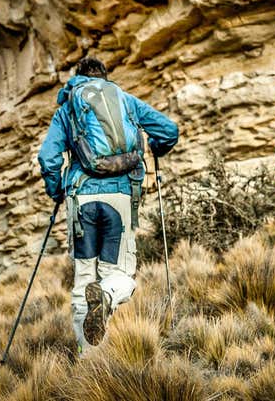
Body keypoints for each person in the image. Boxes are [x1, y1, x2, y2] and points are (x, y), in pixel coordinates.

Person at [38, 57, 179, 353]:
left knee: (83, 278)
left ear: (78, 79)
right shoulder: (125, 100)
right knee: (122, 274)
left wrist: (56, 192)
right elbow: (169, 131)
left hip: (82, 199)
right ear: (104, 76)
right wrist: (155, 147)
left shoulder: (68, 108)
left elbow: (48, 158)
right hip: (120, 197)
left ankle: (88, 360)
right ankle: (106, 294)